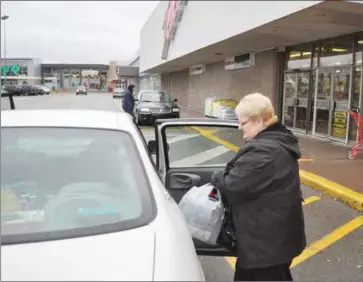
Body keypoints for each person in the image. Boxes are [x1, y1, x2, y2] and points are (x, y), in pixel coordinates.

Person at [211, 93, 306, 281]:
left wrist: (216, 176)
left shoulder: (265, 150)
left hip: (265, 247)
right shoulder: (276, 141)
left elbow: (232, 185)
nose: (239, 127)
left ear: (259, 121)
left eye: (243, 123)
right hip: (273, 242)